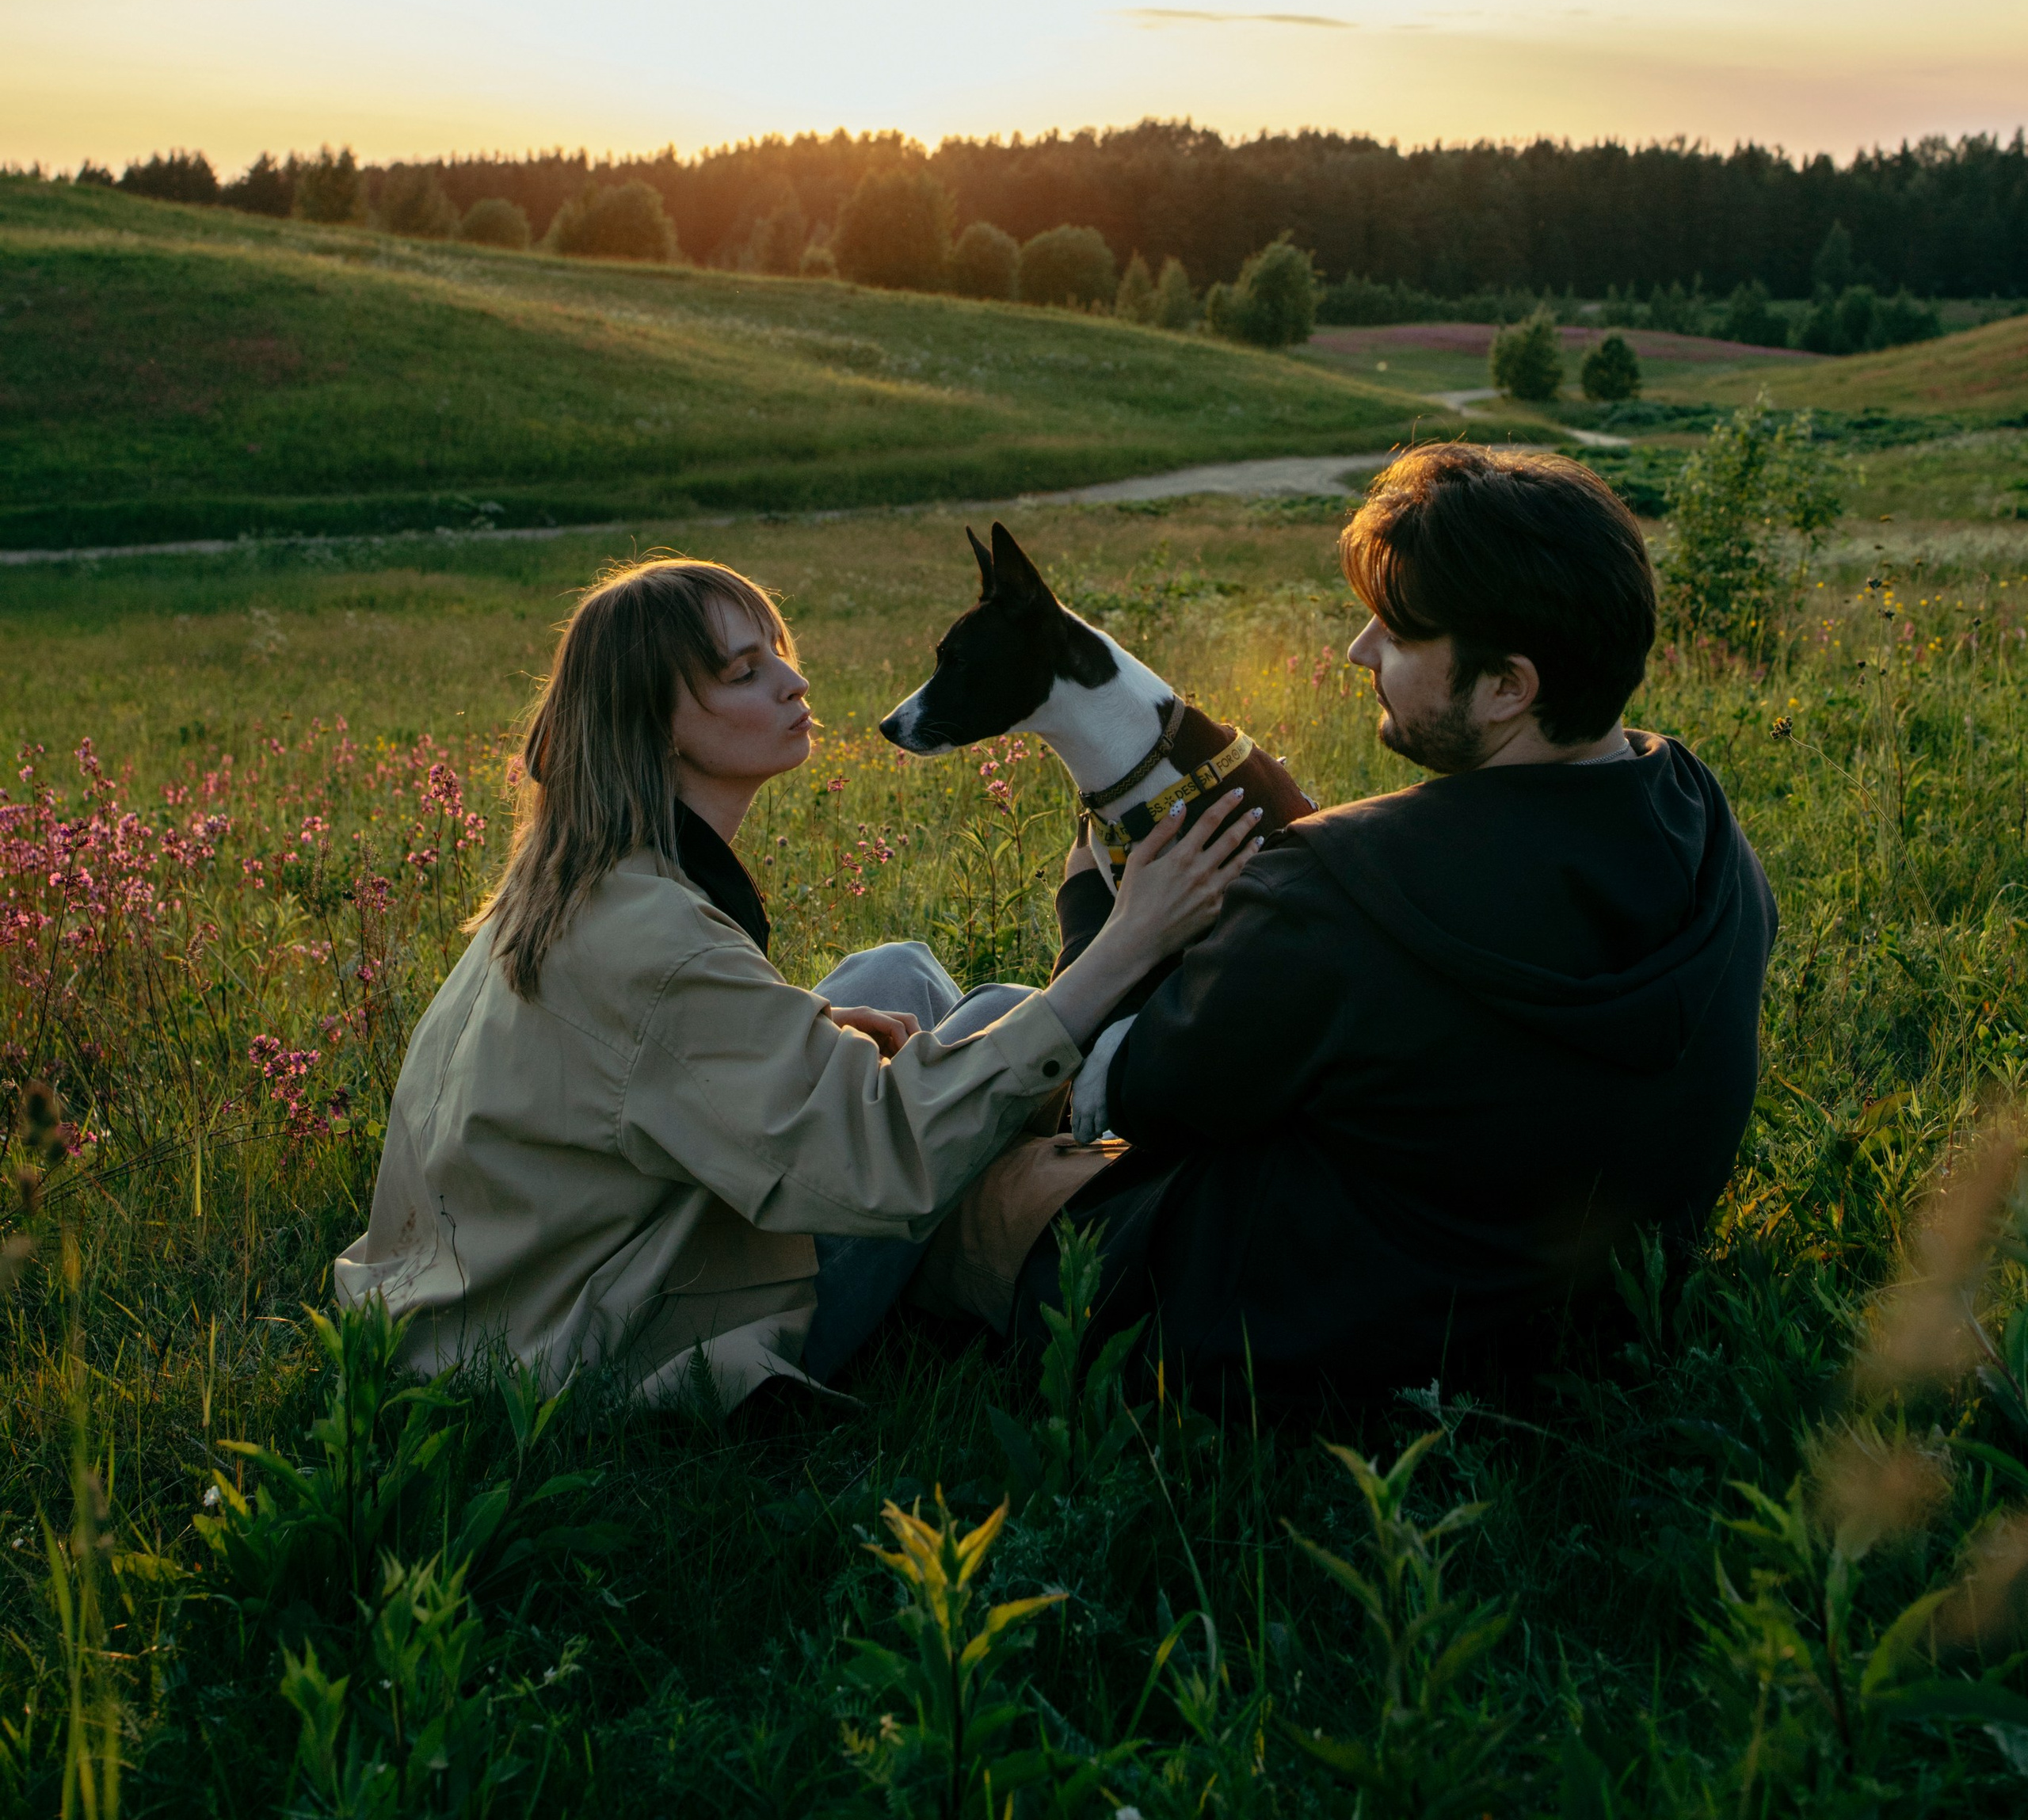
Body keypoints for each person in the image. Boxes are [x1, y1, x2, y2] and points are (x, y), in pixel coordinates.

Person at [333, 555, 1258, 1406]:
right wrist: (1125, 944)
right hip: (608, 1338)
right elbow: (880, 1163)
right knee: (1009, 1019)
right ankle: (1115, 1203)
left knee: (896, 974)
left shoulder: (580, 877)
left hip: (505, 1296)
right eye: (744, 673)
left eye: (777, 652)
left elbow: (637, 1067)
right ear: (655, 725)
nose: (794, 682)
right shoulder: (656, 944)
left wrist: (814, 1028)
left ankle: (1035, 1155)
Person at [1026, 443, 1777, 1398]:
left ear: (1508, 685)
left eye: (1397, 632)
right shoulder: (1702, 821)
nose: (1358, 652)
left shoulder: (1339, 891)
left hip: (1298, 1339)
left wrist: (1100, 906)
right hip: (1595, 1319)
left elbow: (1134, 1096)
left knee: (965, 1158)